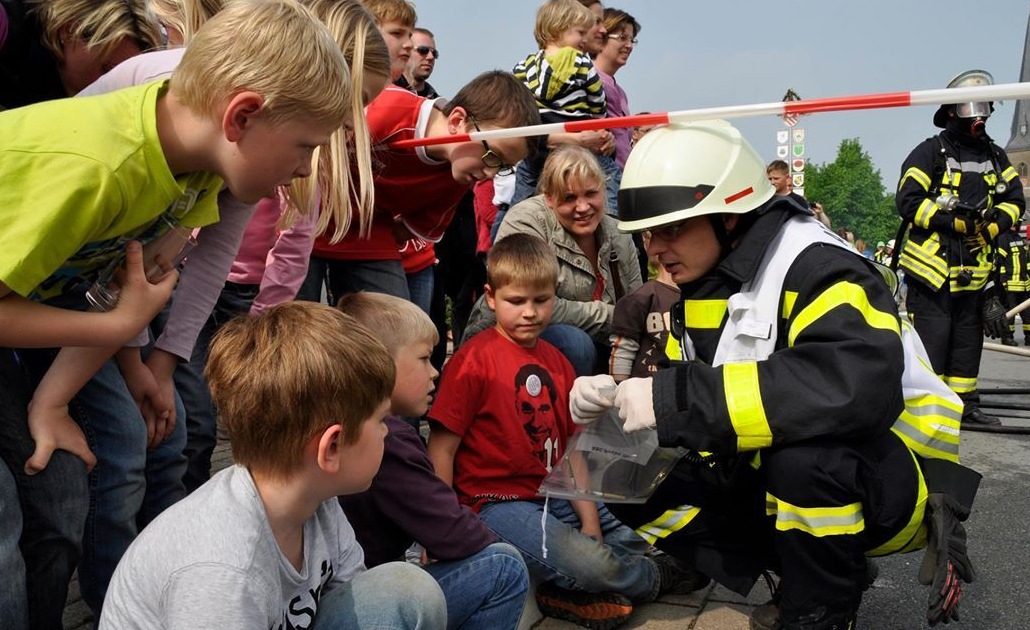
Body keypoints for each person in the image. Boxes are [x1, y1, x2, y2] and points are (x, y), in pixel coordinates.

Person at [0, 1, 351, 623]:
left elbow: (118, 287)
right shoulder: (100, 167)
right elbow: (112, 310)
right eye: (303, 147)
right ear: (241, 116)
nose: (304, 169)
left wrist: (53, 400)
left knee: (59, 497)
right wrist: (111, 328)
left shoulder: (194, 173)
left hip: (36, 312)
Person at [571, 119, 981, 630]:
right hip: (798, 465)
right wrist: (616, 396)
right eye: (648, 234)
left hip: (902, 482)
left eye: (671, 228)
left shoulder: (819, 265)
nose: (653, 248)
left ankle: (820, 609)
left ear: (729, 213)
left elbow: (847, 388)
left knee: (807, 462)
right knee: (620, 470)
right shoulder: (710, 277)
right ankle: (801, 569)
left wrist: (671, 398)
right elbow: (696, 381)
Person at [99, 302, 447, 629]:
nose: (387, 432)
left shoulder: (317, 501)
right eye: (381, 419)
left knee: (402, 590)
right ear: (332, 447)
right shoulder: (223, 571)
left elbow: (356, 596)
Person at [428, 233, 704, 630]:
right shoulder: (473, 361)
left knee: (633, 533)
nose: (530, 313)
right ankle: (649, 579)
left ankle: (576, 588)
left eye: (541, 300)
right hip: (493, 504)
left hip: (554, 493)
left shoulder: (557, 361)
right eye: (516, 301)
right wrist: (439, 535)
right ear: (490, 298)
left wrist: (590, 521)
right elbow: (441, 451)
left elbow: (572, 449)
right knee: (592, 562)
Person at [336, 291, 530, 630]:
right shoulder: (388, 439)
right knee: (504, 566)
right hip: (364, 603)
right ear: (379, 364)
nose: (436, 371)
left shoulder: (352, 422)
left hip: (350, 594)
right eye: (425, 358)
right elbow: (455, 533)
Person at [303, 69, 540, 305]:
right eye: (492, 155)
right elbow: (311, 149)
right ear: (457, 121)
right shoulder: (386, 110)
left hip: (368, 234)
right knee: (293, 314)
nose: (490, 173)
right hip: (306, 220)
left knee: (398, 329)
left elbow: (406, 230)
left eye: (504, 167)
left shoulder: (457, 177)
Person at [895, 69, 1025, 427]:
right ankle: (928, 411)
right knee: (933, 345)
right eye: (972, 108)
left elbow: (1015, 200)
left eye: (984, 108)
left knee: (968, 345)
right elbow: (908, 201)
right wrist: (951, 222)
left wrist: (991, 227)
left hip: (974, 272)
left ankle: (965, 407)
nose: (979, 116)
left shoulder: (997, 156)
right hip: (933, 272)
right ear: (951, 111)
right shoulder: (930, 153)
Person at [463, 144, 642, 376]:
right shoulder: (526, 222)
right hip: (516, 338)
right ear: (548, 197)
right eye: (569, 198)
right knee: (575, 344)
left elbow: (635, 302)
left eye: (590, 193)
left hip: (601, 343)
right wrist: (611, 316)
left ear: (603, 189)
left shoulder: (617, 232)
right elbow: (528, 305)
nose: (583, 207)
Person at [510, 0, 621, 215]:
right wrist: (600, 123)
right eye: (580, 32)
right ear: (559, 30)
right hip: (579, 147)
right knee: (609, 175)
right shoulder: (581, 62)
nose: (584, 39)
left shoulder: (523, 66)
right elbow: (597, 99)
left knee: (520, 200)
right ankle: (612, 222)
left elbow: (519, 109)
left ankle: (505, 237)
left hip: (539, 147)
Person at [0, 0, 162, 108]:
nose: (115, 88)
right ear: (69, 32)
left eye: (127, 79)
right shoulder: (8, 27)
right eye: (107, 70)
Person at [608, 237, 678, 381]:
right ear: (646, 244)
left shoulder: (698, 296)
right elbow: (623, 349)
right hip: (643, 387)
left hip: (682, 384)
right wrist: (619, 388)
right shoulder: (641, 298)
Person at [593, 7, 639, 170]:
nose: (629, 46)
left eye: (632, 40)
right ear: (600, 36)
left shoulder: (620, 92)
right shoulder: (588, 81)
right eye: (622, 38)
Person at [996, 222, 1030, 346]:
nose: (1017, 226)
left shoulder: (1019, 238)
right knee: (1010, 312)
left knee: (1027, 312)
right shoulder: (1003, 238)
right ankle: (1007, 337)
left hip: (1024, 284)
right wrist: (1003, 281)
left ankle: (1029, 336)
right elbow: (1000, 262)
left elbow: (1025, 261)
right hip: (1010, 284)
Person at [398, 26, 438, 98]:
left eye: (434, 53)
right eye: (423, 50)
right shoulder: (382, 92)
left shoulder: (439, 105)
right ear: (405, 51)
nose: (431, 57)